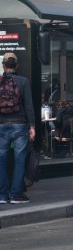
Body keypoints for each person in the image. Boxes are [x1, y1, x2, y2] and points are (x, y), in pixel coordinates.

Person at [0, 53, 36, 204]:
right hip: (20, 125)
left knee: (1, 160)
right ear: (17, 65)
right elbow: (28, 105)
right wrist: (32, 125)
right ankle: (16, 194)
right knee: (19, 160)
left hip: (1, 125)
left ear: (3, 65)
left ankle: (2, 195)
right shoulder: (23, 81)